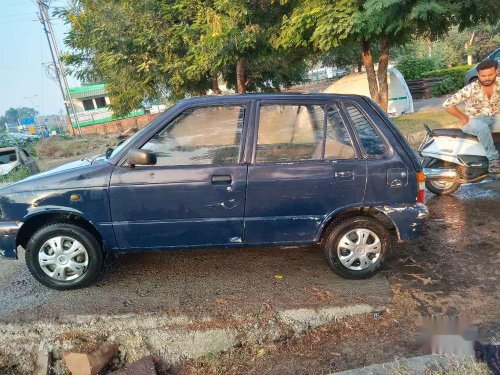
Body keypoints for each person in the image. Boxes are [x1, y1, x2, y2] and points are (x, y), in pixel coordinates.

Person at [443, 59, 500, 174]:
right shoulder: (471, 88)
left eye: (490, 74)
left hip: (495, 118)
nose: (487, 78)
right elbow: (447, 104)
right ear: (478, 75)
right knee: (482, 127)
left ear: (497, 72)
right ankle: (494, 161)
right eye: (483, 76)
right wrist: (464, 118)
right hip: (473, 120)